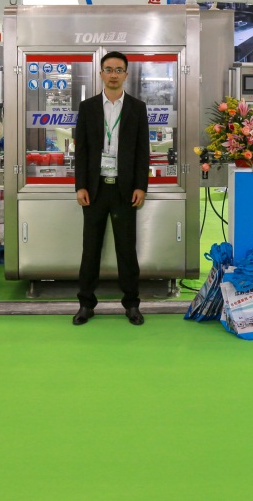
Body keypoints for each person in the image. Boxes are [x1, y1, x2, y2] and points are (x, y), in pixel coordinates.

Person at [72, 51, 150, 326]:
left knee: (126, 250)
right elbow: (81, 150)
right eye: (109, 69)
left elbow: (142, 151)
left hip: (124, 190)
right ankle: (86, 304)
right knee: (90, 249)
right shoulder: (88, 107)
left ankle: (132, 304)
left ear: (126, 75)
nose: (113, 74)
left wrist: (141, 186)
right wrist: (80, 185)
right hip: (94, 190)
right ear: (101, 74)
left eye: (118, 70)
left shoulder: (137, 108)